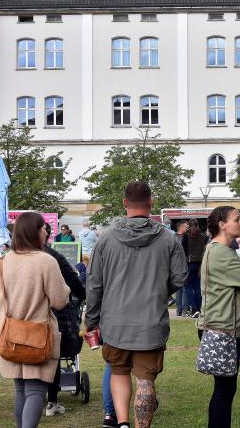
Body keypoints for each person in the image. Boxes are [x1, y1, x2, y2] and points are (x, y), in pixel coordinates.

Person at [85, 182, 187, 428]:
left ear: (124, 203)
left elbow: (94, 284)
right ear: (151, 202)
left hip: (114, 322)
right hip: (151, 321)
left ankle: (122, 423)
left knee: (119, 371)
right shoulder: (168, 239)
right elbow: (180, 278)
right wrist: (158, 292)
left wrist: (91, 321)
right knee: (146, 379)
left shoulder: (106, 239)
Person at [0, 212, 70, 428]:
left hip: (9, 337)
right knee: (35, 390)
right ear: (34, 231)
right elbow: (60, 300)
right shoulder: (46, 261)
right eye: (44, 228)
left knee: (20, 389)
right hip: (38, 335)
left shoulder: (3, 260)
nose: (46, 231)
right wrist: (68, 288)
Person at [200, 206, 240, 428]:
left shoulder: (216, 249)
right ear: (222, 224)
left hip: (221, 325)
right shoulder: (221, 254)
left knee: (224, 389)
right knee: (224, 391)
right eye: (237, 219)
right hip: (222, 328)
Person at [42, 223, 87, 417]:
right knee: (54, 356)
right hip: (52, 315)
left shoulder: (8, 258)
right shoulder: (52, 257)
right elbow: (70, 283)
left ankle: (34, 401)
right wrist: (81, 294)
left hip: (21, 322)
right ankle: (51, 401)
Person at [180, 218, 207, 317]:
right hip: (200, 263)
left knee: (187, 287)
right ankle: (199, 309)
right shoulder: (204, 236)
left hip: (189, 262)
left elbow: (183, 250)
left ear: (189, 225)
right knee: (197, 287)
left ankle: (194, 309)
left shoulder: (187, 235)